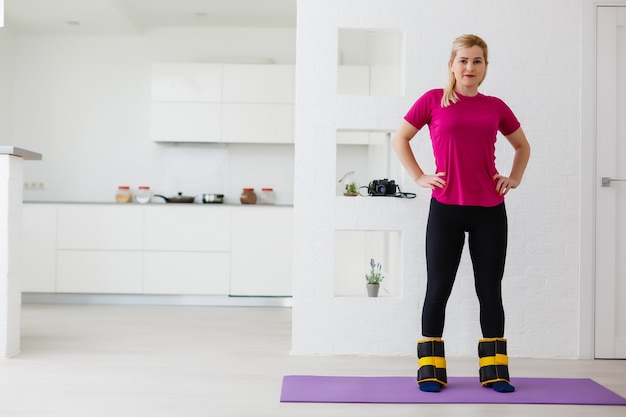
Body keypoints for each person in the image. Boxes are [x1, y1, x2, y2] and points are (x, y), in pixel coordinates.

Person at [391, 34, 531, 393]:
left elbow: (522, 146)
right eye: (464, 60)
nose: (470, 67)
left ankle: (495, 371)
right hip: (446, 209)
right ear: (452, 64)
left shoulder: (495, 106)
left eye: (477, 61)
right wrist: (420, 176)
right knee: (438, 288)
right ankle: (431, 370)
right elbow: (399, 138)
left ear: (485, 67)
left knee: (489, 290)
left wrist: (513, 178)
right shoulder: (433, 101)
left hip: (489, 210)